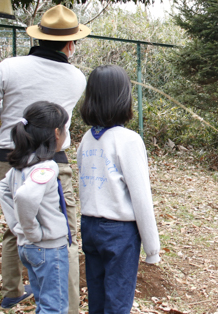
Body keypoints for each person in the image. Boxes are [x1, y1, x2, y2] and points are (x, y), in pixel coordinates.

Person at [0, 5, 89, 311]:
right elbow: (58, 123)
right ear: (70, 44)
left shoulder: (8, 67)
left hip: (10, 155)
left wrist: (12, 113)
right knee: (65, 232)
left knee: (15, 223)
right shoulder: (77, 78)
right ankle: (70, 306)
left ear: (38, 36)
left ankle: (12, 289)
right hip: (54, 159)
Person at [77, 65, 160, 314]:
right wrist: (153, 249)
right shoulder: (129, 140)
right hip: (119, 232)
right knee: (118, 303)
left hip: (89, 226)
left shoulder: (87, 138)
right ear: (124, 98)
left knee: (98, 299)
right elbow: (141, 197)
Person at [0, 102, 71, 314]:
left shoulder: (23, 164)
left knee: (43, 302)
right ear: (57, 133)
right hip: (48, 248)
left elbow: (3, 189)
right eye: (65, 129)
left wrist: (16, 225)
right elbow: (25, 196)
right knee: (54, 308)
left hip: (28, 248)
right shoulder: (45, 167)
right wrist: (31, 230)